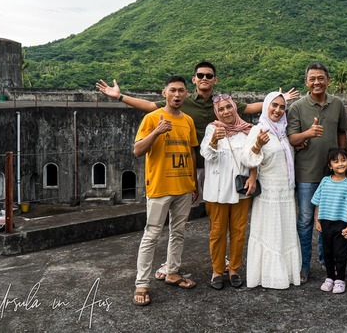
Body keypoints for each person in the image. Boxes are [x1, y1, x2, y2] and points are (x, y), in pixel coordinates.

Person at [97, 61, 297, 278]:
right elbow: (149, 106)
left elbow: (252, 108)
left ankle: (222, 261)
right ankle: (176, 265)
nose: (204, 79)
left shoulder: (225, 103)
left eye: (209, 76)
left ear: (215, 79)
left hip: (222, 168)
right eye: (200, 75)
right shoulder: (183, 101)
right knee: (181, 223)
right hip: (198, 163)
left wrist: (276, 100)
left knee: (219, 223)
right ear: (193, 80)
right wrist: (119, 96)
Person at [131, 76, 198, 306]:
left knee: (178, 233)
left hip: (183, 187)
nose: (177, 95)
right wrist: (157, 131)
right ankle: (142, 283)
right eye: (173, 91)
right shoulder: (152, 118)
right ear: (164, 93)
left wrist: (194, 184)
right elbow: (138, 150)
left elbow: (191, 154)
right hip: (160, 187)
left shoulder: (188, 120)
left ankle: (172, 271)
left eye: (181, 91)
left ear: (186, 94)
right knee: (151, 235)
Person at [287, 62, 347, 284]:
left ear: (328, 80)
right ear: (306, 82)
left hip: (332, 176)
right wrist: (308, 133)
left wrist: (343, 160)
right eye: (312, 79)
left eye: (320, 78)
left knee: (329, 220)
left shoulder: (337, 104)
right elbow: (291, 138)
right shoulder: (297, 107)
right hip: (306, 173)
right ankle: (303, 265)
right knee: (304, 221)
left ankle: (327, 262)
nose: (316, 82)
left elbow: (342, 133)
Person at [241, 91, 301, 289]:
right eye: (274, 105)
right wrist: (257, 145)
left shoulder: (283, 133)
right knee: (269, 233)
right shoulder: (259, 129)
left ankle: (286, 272)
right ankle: (269, 274)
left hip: (285, 190)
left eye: (282, 107)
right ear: (266, 106)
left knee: (284, 231)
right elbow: (247, 159)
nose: (278, 110)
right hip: (268, 191)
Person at [200, 94, 256, 290]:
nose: (226, 112)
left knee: (239, 232)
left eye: (228, 107)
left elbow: (254, 156)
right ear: (217, 112)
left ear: (235, 108)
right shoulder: (212, 129)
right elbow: (206, 154)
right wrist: (214, 140)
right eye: (221, 109)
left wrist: (253, 177)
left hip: (240, 189)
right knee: (217, 232)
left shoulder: (247, 130)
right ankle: (217, 270)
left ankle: (234, 268)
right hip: (217, 189)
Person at [312, 148, 347, 294]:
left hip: (342, 224)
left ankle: (340, 280)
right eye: (336, 161)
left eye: (343, 160)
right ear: (330, 165)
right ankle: (329, 278)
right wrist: (317, 220)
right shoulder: (325, 181)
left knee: (340, 253)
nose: (340, 164)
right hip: (326, 222)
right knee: (327, 252)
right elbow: (317, 202)